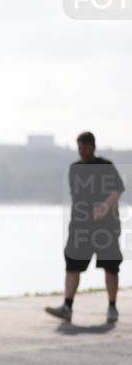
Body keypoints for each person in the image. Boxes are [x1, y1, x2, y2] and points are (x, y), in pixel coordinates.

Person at [46, 132, 125, 323]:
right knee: (72, 264)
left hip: (106, 226)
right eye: (79, 147)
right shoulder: (75, 169)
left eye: (85, 147)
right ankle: (67, 306)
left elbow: (118, 189)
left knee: (111, 266)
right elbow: (79, 197)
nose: (82, 150)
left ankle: (112, 307)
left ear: (93, 146)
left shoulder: (106, 166)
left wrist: (105, 206)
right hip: (81, 225)